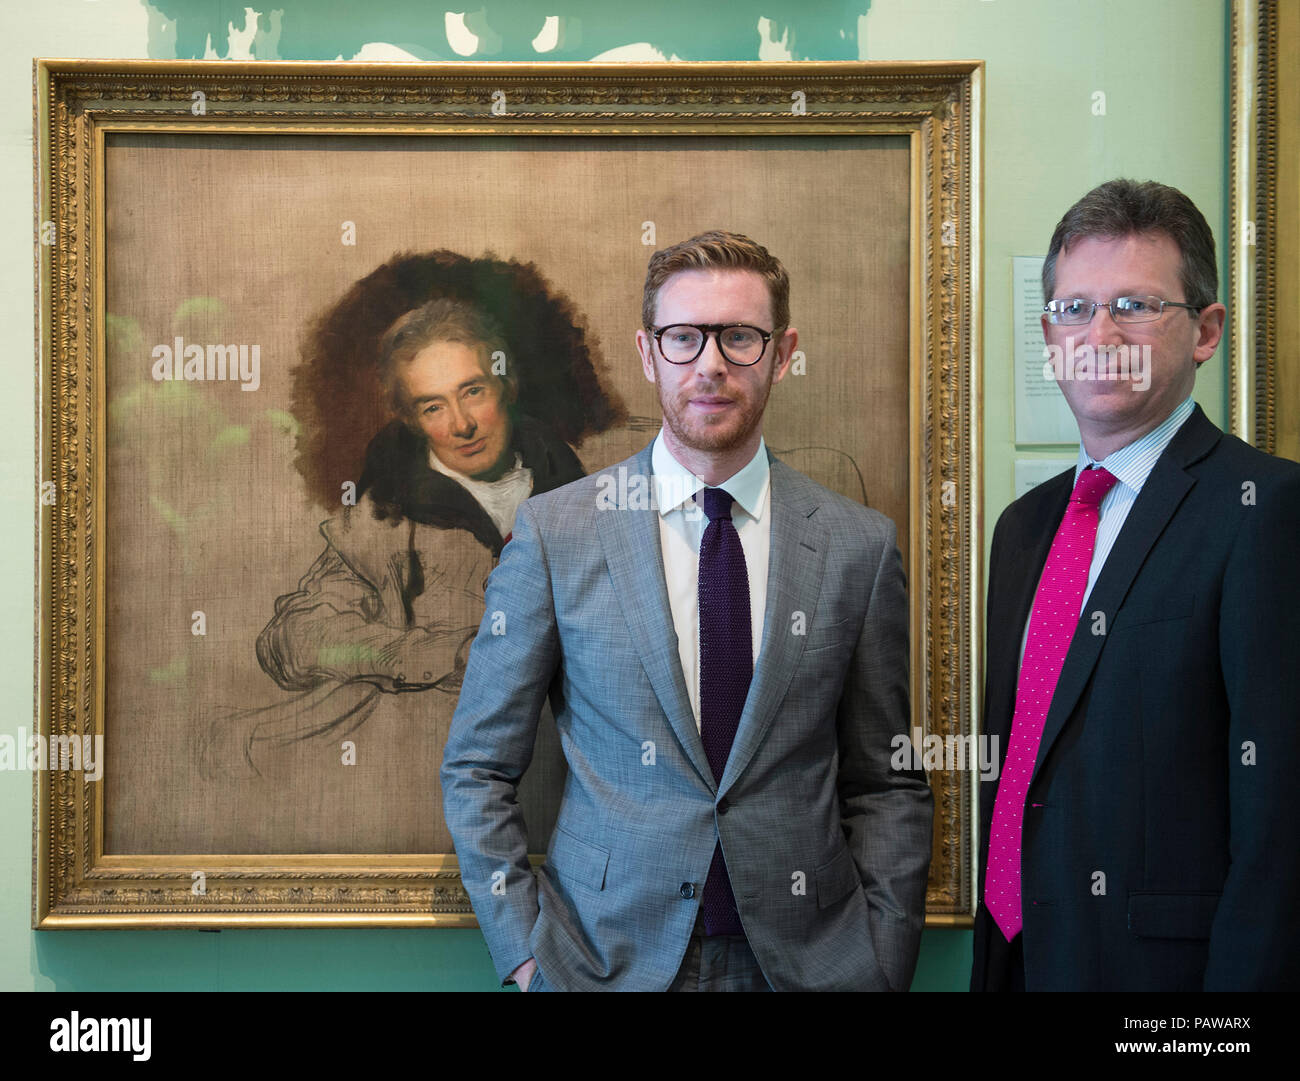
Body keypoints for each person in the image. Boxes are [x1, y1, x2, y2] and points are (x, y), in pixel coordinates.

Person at [442, 230, 933, 991]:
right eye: (684, 337)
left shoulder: (857, 547)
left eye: (739, 336)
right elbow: (478, 767)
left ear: (782, 351)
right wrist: (528, 958)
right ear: (648, 352)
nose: (710, 364)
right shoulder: (557, 533)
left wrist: (882, 957)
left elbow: (886, 783)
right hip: (602, 966)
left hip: (810, 966)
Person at [972, 179, 1300, 991]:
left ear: (1206, 331)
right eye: (1074, 309)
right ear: (1048, 334)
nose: (1100, 334)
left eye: (1134, 304)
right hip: (1018, 962)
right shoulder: (1023, 528)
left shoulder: (1265, 510)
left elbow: (1282, 828)